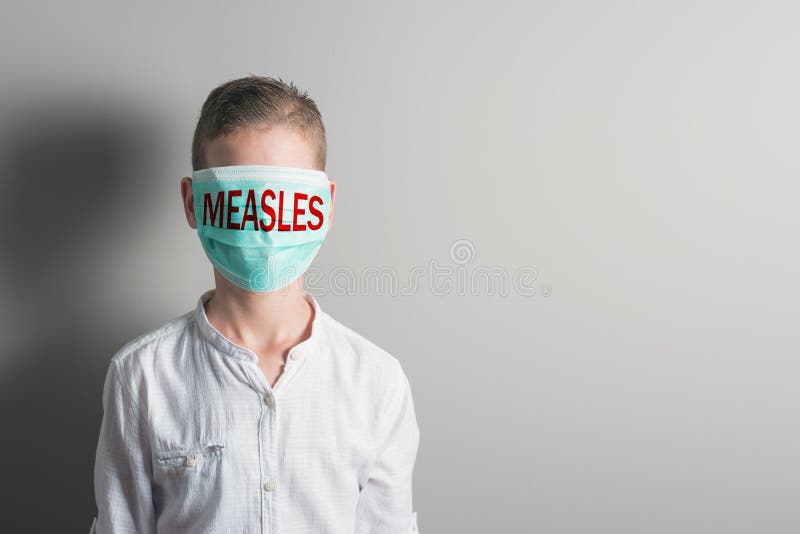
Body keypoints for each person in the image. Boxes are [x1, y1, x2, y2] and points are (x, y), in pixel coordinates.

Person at [89, 75, 421, 534]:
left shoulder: (377, 382)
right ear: (194, 203)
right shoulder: (140, 376)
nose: (265, 222)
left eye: (285, 201)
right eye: (240, 199)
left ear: (322, 206)